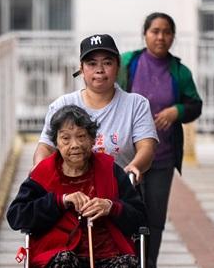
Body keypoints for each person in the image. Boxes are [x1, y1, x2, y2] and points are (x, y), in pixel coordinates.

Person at [8, 105, 148, 268]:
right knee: (64, 260)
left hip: (104, 256)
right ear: (56, 143)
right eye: (66, 138)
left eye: (82, 137)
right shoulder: (43, 173)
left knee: (129, 265)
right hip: (60, 258)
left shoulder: (109, 168)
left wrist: (111, 207)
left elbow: (140, 216)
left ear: (93, 140)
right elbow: (16, 216)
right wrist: (60, 201)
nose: (75, 144)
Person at [118, 12, 203, 268]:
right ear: (144, 34)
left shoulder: (179, 71)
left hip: (163, 157)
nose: (160, 37)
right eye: (155, 31)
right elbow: (109, 92)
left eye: (166, 32)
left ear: (173, 37)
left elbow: (195, 105)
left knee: (155, 216)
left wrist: (176, 111)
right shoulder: (128, 64)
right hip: (126, 156)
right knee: (125, 211)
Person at [33, 34, 158, 181]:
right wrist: (40, 169)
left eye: (107, 63)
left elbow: (147, 147)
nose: (99, 70)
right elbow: (46, 146)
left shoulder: (136, 104)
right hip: (70, 192)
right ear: (81, 68)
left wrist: (134, 166)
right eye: (92, 64)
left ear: (118, 66)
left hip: (118, 191)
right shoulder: (62, 105)